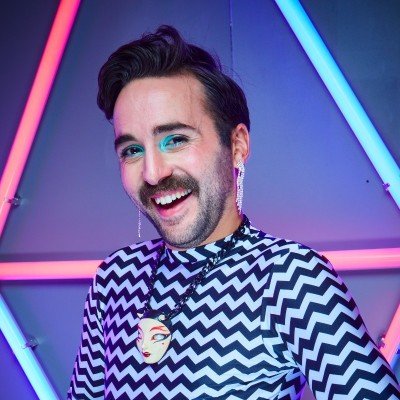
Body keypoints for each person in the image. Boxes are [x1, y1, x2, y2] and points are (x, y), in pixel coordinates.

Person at [68, 25, 400, 399]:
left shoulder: (290, 277)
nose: (153, 173)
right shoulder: (115, 277)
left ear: (237, 145)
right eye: (132, 150)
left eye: (175, 140)